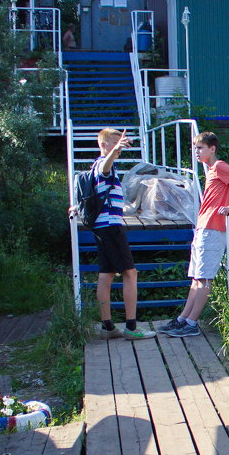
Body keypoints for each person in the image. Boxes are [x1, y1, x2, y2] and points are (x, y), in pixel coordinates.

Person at [159, 132, 229, 337]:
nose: (196, 152)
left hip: (214, 228)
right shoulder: (210, 170)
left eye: (200, 148)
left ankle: (191, 323)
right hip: (204, 225)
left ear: (212, 149)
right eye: (195, 148)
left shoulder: (219, 166)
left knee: (205, 278)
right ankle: (183, 319)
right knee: (197, 277)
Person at [78, 128, 157, 341]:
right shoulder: (104, 164)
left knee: (106, 275)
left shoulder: (99, 167)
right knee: (130, 274)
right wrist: (114, 152)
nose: (120, 146)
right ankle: (131, 327)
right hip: (111, 228)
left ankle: (108, 327)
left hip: (102, 228)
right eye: (115, 142)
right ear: (104, 145)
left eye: (121, 142)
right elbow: (106, 166)